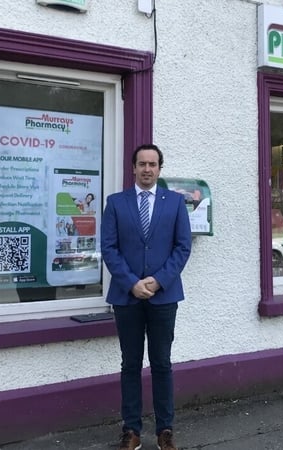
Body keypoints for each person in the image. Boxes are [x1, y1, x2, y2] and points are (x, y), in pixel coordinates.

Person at [101, 144, 192, 450]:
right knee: (130, 364)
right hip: (127, 297)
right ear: (133, 167)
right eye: (142, 164)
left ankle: (165, 430)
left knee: (162, 363)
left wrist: (158, 280)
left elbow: (182, 247)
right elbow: (109, 249)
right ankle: (131, 431)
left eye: (153, 164)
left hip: (163, 296)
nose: (147, 169)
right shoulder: (115, 203)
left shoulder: (175, 203)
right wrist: (130, 283)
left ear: (159, 169)